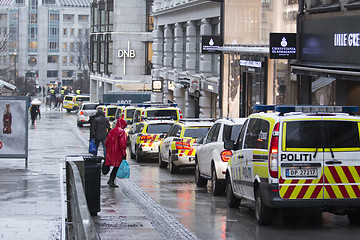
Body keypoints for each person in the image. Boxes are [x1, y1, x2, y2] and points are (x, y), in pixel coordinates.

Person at [104, 118, 127, 187]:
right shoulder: (121, 132)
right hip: (118, 152)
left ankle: (110, 179)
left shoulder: (112, 131)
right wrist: (124, 153)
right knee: (116, 166)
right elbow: (122, 143)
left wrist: (108, 149)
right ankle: (111, 180)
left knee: (112, 164)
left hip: (110, 150)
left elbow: (106, 142)